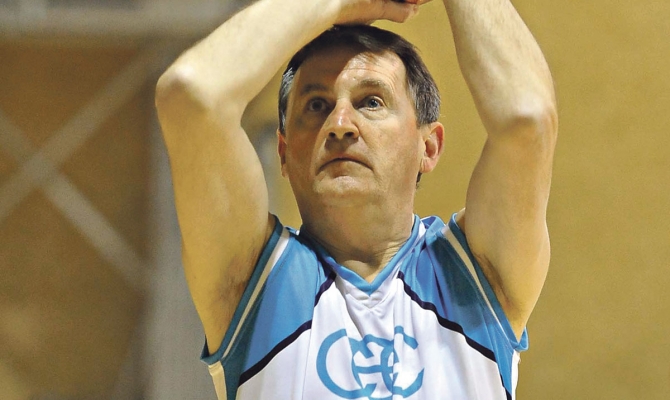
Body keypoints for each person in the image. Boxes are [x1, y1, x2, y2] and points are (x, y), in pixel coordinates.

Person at [155, 0, 557, 398]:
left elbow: (527, 119)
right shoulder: (252, 280)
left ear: (429, 146)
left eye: (371, 102)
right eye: (317, 105)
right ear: (283, 153)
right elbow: (191, 94)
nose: (340, 125)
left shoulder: (477, 272)